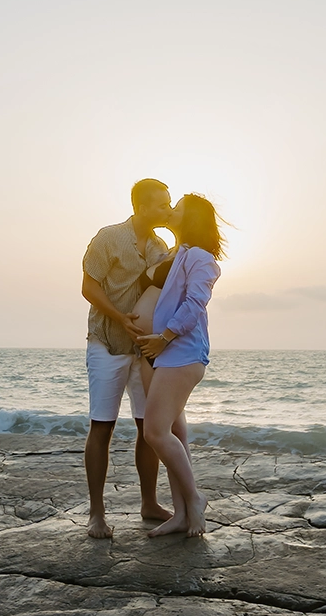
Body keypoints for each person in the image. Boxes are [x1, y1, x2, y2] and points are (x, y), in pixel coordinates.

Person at [79, 178, 175, 538]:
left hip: (143, 350)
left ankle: (148, 503)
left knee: (147, 429)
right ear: (141, 207)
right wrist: (120, 318)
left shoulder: (159, 245)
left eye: (169, 204)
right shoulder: (109, 237)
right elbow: (88, 286)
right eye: (162, 204)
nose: (167, 210)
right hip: (107, 343)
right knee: (102, 426)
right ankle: (96, 514)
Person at [136, 193, 224, 537]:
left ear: (191, 219)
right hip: (157, 352)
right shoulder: (175, 253)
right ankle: (181, 513)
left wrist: (165, 336)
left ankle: (195, 499)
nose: (172, 211)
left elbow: (196, 302)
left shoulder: (201, 257)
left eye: (179, 208)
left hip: (180, 352)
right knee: (173, 434)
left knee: (155, 432)